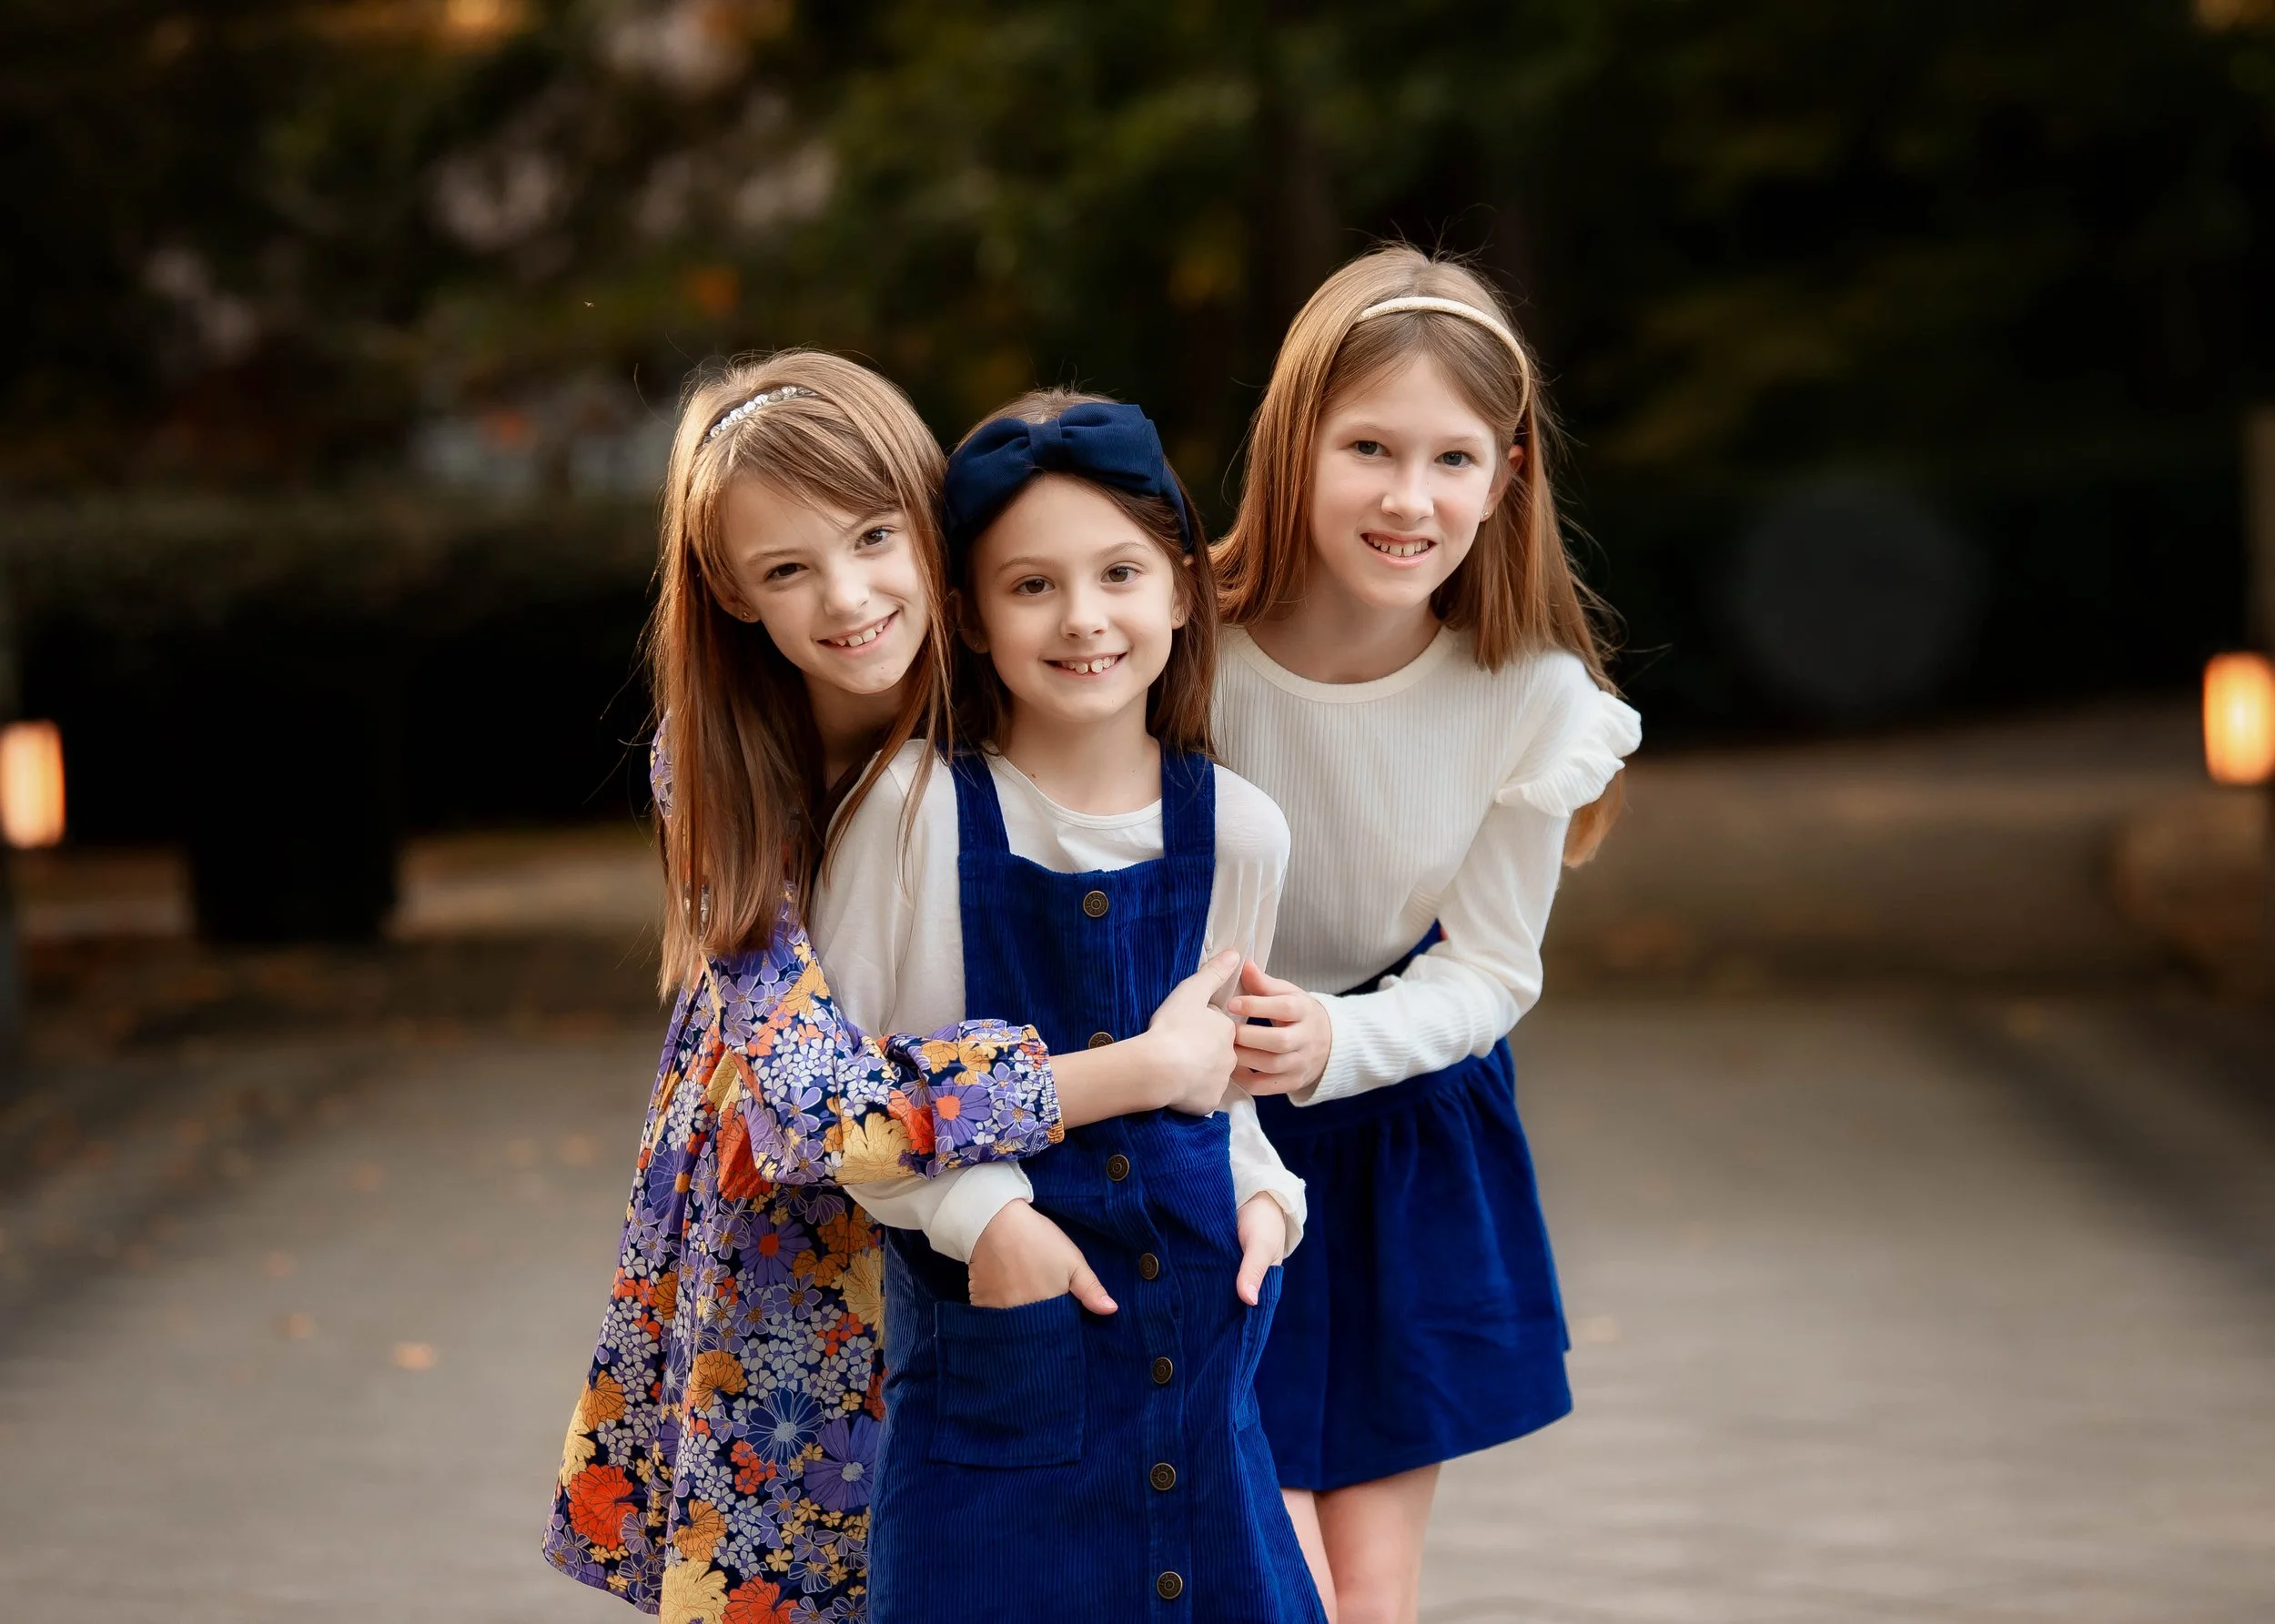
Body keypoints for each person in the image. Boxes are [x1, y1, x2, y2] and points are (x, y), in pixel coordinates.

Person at [542, 353, 1245, 1624]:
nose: (850, 597)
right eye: (786, 569)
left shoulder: (1017, 688)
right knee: (826, 1572)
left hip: (1020, 1221)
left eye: (874, 538)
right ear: (729, 590)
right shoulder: (714, 768)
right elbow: (817, 1111)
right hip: (798, 1248)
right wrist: (1137, 1071)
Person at [813, 392, 1324, 1624]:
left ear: (1183, 589)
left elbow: (1223, 1084)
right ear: (971, 619)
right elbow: (858, 1113)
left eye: (1120, 573)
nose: (1085, 617)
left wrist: (1265, 1199)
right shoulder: (918, 815)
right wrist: (991, 1221)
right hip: (1004, 1374)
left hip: (1204, 1378)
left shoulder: (1242, 833)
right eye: (1031, 585)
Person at [1209, 247, 1643, 1624]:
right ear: (1295, 450)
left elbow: (1496, 966)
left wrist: (1340, 1036)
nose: (1411, 497)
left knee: (1374, 1588)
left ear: (1506, 478)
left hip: (1401, 1127)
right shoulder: (1177, 642)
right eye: (1370, 449)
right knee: (1270, 1570)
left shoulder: (1527, 691)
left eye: (1454, 459)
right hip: (1209, 1132)